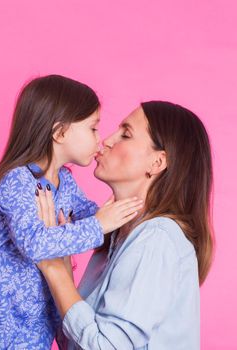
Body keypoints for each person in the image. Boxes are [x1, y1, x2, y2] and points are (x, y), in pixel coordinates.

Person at [0, 75, 142, 349]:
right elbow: (34, 243)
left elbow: (90, 217)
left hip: (35, 314)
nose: (99, 140)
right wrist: (99, 225)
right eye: (92, 129)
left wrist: (121, 217)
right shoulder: (16, 181)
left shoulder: (65, 181)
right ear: (60, 133)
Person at [36, 101, 214, 349]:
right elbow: (74, 342)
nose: (107, 140)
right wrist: (62, 265)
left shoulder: (156, 239)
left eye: (126, 134)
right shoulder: (116, 237)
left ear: (157, 163)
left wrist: (53, 268)